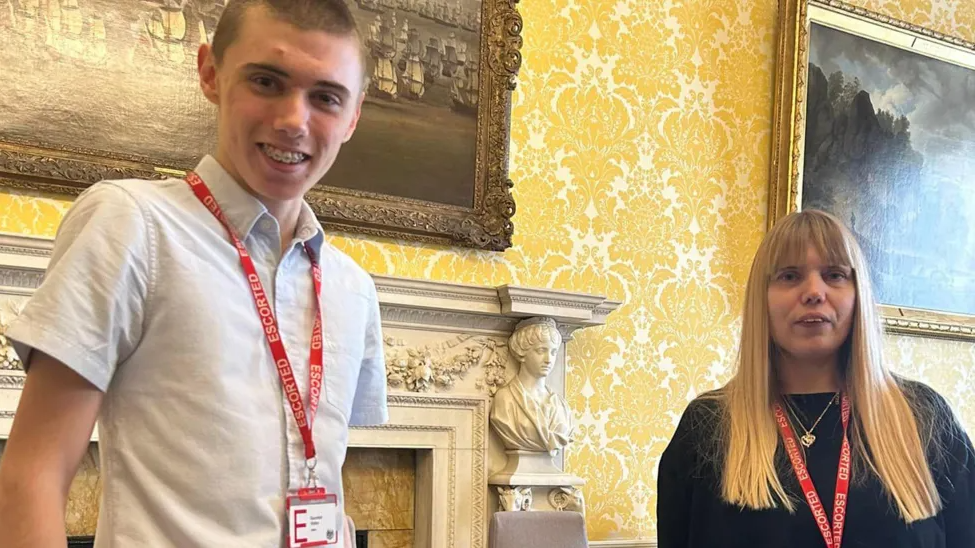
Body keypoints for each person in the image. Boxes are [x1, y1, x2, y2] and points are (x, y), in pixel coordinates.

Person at [0, 1, 387, 547]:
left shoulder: (352, 287)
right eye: (267, 81)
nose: (294, 120)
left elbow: (320, 477)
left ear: (352, 116)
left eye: (325, 97)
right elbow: (31, 476)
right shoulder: (132, 225)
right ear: (210, 73)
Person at [657, 210, 975, 548]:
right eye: (790, 276)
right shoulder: (707, 426)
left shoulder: (923, 417)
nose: (813, 292)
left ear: (858, 294)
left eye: (834, 275)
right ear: (761, 298)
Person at [490, 317, 574, 454]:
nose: (549, 360)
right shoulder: (505, 399)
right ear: (521, 352)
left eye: (553, 352)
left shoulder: (561, 405)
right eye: (541, 351)